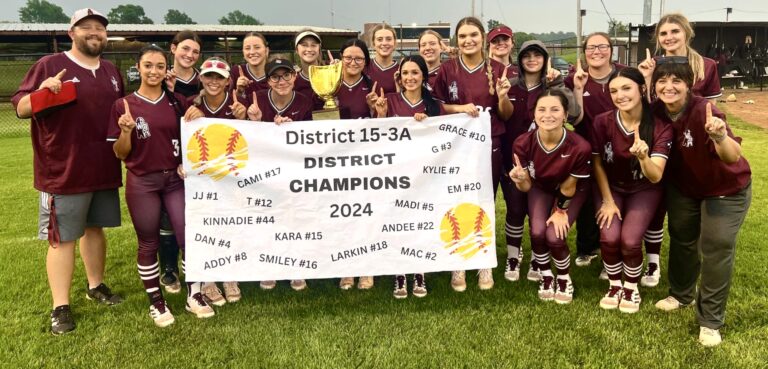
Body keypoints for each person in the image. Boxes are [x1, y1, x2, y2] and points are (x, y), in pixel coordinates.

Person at [12, 8, 124, 335]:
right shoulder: (49, 65)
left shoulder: (111, 70)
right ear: (71, 32)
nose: (94, 33)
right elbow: (21, 108)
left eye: (100, 29)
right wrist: (42, 92)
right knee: (61, 240)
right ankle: (59, 306)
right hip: (63, 169)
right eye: (86, 27)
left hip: (102, 167)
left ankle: (96, 285)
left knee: (95, 230)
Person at [108, 45, 214, 328]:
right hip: (142, 180)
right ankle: (156, 300)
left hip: (175, 180)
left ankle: (195, 294)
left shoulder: (177, 101)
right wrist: (127, 131)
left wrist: (197, 115)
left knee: (187, 237)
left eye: (158, 66)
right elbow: (120, 153)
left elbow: (194, 137)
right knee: (148, 241)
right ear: (138, 67)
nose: (153, 71)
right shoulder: (124, 105)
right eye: (147, 65)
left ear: (165, 69)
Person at [650, 59, 751, 347]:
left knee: (716, 244)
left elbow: (733, 156)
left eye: (677, 81)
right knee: (682, 237)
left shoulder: (706, 110)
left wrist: (719, 135)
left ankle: (710, 319)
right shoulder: (656, 110)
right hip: (685, 188)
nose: (669, 87)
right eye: (662, 80)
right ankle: (681, 293)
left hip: (725, 189)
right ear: (655, 85)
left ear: (688, 84)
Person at [637, 13, 723, 287]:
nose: (669, 38)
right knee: (665, 208)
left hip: (695, 145)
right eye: (663, 33)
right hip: (662, 143)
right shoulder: (653, 65)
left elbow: (713, 110)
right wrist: (647, 78)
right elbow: (647, 108)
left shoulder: (706, 66)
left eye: (675, 31)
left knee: (693, 214)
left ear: (686, 33)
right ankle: (655, 262)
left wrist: (716, 135)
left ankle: (689, 268)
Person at [432, 16, 513, 292]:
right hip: (455, 146)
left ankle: (483, 263)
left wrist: (502, 97)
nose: (468, 40)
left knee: (484, 200)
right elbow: (436, 107)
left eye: (473, 35)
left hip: (489, 144)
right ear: (457, 40)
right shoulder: (447, 69)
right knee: (457, 198)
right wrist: (459, 108)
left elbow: (505, 115)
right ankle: (459, 262)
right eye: (463, 36)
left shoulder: (499, 69)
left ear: (482, 38)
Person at [590, 67, 672, 313]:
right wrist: (607, 200)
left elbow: (656, 175)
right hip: (611, 186)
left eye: (626, 88)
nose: (620, 95)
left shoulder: (660, 125)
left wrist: (645, 157)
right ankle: (615, 285)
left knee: (630, 240)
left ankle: (631, 286)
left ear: (642, 89)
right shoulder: (602, 121)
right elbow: (596, 162)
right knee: (609, 236)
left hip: (644, 187)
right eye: (614, 90)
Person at [501, 40, 577, 283]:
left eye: (537, 55)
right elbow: (500, 115)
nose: (532, 59)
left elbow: (573, 113)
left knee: (539, 211)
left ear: (545, 59)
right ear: (520, 60)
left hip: (546, 161)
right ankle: (513, 256)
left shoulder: (552, 84)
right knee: (514, 208)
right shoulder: (511, 85)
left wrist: (558, 84)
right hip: (512, 156)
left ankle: (538, 256)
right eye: (527, 55)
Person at [508, 89, 591, 304]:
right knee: (537, 233)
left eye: (555, 109)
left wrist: (561, 210)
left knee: (554, 236)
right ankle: (546, 275)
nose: (548, 115)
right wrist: (519, 179)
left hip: (571, 190)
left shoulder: (580, 146)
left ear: (565, 115)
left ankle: (564, 277)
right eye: (542, 109)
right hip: (541, 187)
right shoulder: (522, 143)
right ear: (534, 114)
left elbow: (569, 186)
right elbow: (527, 186)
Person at [372, 55, 444, 299]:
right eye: (405, 74)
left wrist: (426, 125)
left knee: (421, 222)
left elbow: (446, 133)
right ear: (399, 78)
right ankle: (400, 272)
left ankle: (420, 270)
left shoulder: (433, 105)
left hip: (424, 176)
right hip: (396, 175)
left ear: (423, 76)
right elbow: (375, 138)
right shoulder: (389, 101)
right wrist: (381, 116)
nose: (410, 78)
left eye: (415, 73)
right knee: (398, 222)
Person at [182, 57, 247, 306]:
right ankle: (208, 280)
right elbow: (180, 139)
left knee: (230, 225)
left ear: (228, 81)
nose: (213, 81)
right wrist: (182, 163)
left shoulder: (237, 105)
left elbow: (253, 142)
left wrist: (244, 121)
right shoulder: (190, 105)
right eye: (209, 76)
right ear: (201, 78)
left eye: (219, 77)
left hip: (232, 177)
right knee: (207, 228)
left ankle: (230, 276)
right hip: (202, 181)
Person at [566, 32, 625, 272]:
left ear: (611, 50)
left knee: (617, 197)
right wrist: (578, 88)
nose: (597, 51)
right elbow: (574, 118)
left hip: (620, 150)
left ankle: (612, 250)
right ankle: (587, 248)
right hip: (587, 149)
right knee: (589, 200)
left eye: (602, 46)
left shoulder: (623, 75)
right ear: (584, 52)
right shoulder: (575, 78)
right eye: (591, 47)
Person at [158, 30, 203, 295]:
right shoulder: (160, 77)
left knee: (196, 212)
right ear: (173, 49)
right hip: (168, 151)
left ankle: (200, 265)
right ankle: (168, 268)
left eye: (195, 52)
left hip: (199, 155)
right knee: (167, 214)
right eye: (185, 49)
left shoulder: (206, 79)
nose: (189, 55)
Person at [336, 39, 376, 120]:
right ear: (341, 58)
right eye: (348, 58)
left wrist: (374, 110)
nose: (353, 63)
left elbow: (381, 124)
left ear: (365, 61)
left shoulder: (372, 88)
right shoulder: (329, 85)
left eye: (358, 59)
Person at [292, 29, 325, 110]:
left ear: (319, 48)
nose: (309, 49)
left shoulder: (330, 75)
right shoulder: (292, 81)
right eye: (304, 45)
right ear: (297, 50)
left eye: (313, 45)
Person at [231, 32, 270, 98]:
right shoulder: (236, 71)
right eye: (247, 48)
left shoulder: (276, 72)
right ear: (243, 52)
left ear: (266, 51)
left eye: (257, 47)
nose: (252, 52)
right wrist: (239, 92)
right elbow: (227, 102)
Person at [367, 23, 399, 94]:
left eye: (388, 39)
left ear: (395, 43)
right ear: (373, 43)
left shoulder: (401, 70)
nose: (384, 43)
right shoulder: (364, 67)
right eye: (380, 39)